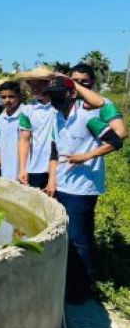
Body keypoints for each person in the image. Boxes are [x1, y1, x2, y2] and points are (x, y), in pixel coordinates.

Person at [45, 76, 124, 303]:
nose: (56, 100)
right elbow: (54, 152)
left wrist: (87, 156)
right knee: (66, 237)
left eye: (60, 95)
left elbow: (116, 141)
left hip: (82, 188)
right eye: (52, 96)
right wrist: (52, 180)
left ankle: (83, 290)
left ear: (72, 94)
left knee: (79, 239)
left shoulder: (87, 118)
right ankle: (71, 281)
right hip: (62, 183)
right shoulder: (57, 118)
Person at [69, 63, 127, 140]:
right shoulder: (65, 102)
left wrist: (100, 147)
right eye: (75, 81)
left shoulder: (104, 104)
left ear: (93, 82)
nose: (79, 85)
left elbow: (121, 133)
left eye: (84, 81)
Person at [0, 80, 25, 181]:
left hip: (21, 169)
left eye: (11, 96)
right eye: (3, 97)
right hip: (5, 167)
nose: (7, 100)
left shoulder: (26, 114)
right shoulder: (1, 118)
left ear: (19, 97)